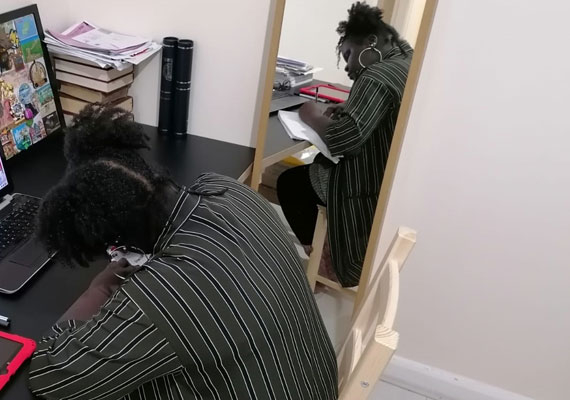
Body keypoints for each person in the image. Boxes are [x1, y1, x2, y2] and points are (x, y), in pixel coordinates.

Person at [29, 105, 337, 400]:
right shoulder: (230, 190)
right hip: (312, 383)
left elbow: (50, 376)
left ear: (121, 244)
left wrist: (99, 287)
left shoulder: (159, 296)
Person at [276, 2, 413, 287]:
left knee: (290, 183)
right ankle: (323, 253)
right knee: (309, 170)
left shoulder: (376, 77)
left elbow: (342, 140)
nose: (348, 68)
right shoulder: (406, 60)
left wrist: (309, 113)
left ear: (372, 42)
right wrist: (352, 108)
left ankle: (324, 265)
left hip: (365, 184)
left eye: (348, 55)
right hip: (389, 175)